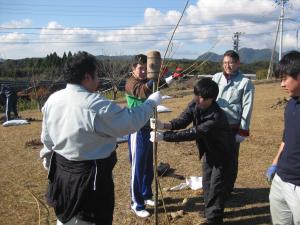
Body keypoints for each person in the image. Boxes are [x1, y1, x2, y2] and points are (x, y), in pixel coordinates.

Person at [40, 51, 162, 225]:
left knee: (65, 219)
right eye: (97, 74)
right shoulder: (95, 104)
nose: (99, 79)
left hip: (62, 174)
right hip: (89, 179)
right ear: (88, 76)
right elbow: (129, 122)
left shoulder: (53, 99)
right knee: (87, 221)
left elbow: (47, 139)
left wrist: (48, 161)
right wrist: (151, 103)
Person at [150, 78, 236, 225]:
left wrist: (165, 136)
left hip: (223, 156)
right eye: (198, 96)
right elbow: (183, 120)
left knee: (216, 187)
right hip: (209, 152)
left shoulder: (216, 117)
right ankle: (210, 212)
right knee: (207, 184)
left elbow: (193, 132)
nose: (200, 100)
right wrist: (164, 125)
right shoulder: (195, 103)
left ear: (213, 99)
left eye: (204, 98)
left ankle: (214, 220)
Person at [125, 54, 183, 218]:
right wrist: (155, 75)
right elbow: (143, 92)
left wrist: (172, 77)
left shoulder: (145, 81)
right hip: (137, 130)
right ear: (133, 69)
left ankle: (146, 194)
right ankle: (136, 203)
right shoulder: (131, 83)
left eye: (146, 68)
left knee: (148, 166)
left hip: (149, 128)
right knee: (137, 167)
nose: (143, 71)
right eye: (140, 68)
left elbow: (159, 84)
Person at [212, 50, 254, 193]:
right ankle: (215, 187)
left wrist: (243, 130)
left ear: (237, 63)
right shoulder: (216, 78)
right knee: (214, 157)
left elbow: (247, 107)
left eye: (230, 62)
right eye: (225, 62)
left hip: (232, 127)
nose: (227, 65)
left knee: (230, 159)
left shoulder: (245, 82)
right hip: (214, 126)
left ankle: (227, 188)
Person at [266, 51, 300, 225]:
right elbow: (286, 138)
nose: (281, 84)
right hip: (280, 178)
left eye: (285, 78)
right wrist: (275, 163)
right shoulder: (291, 103)